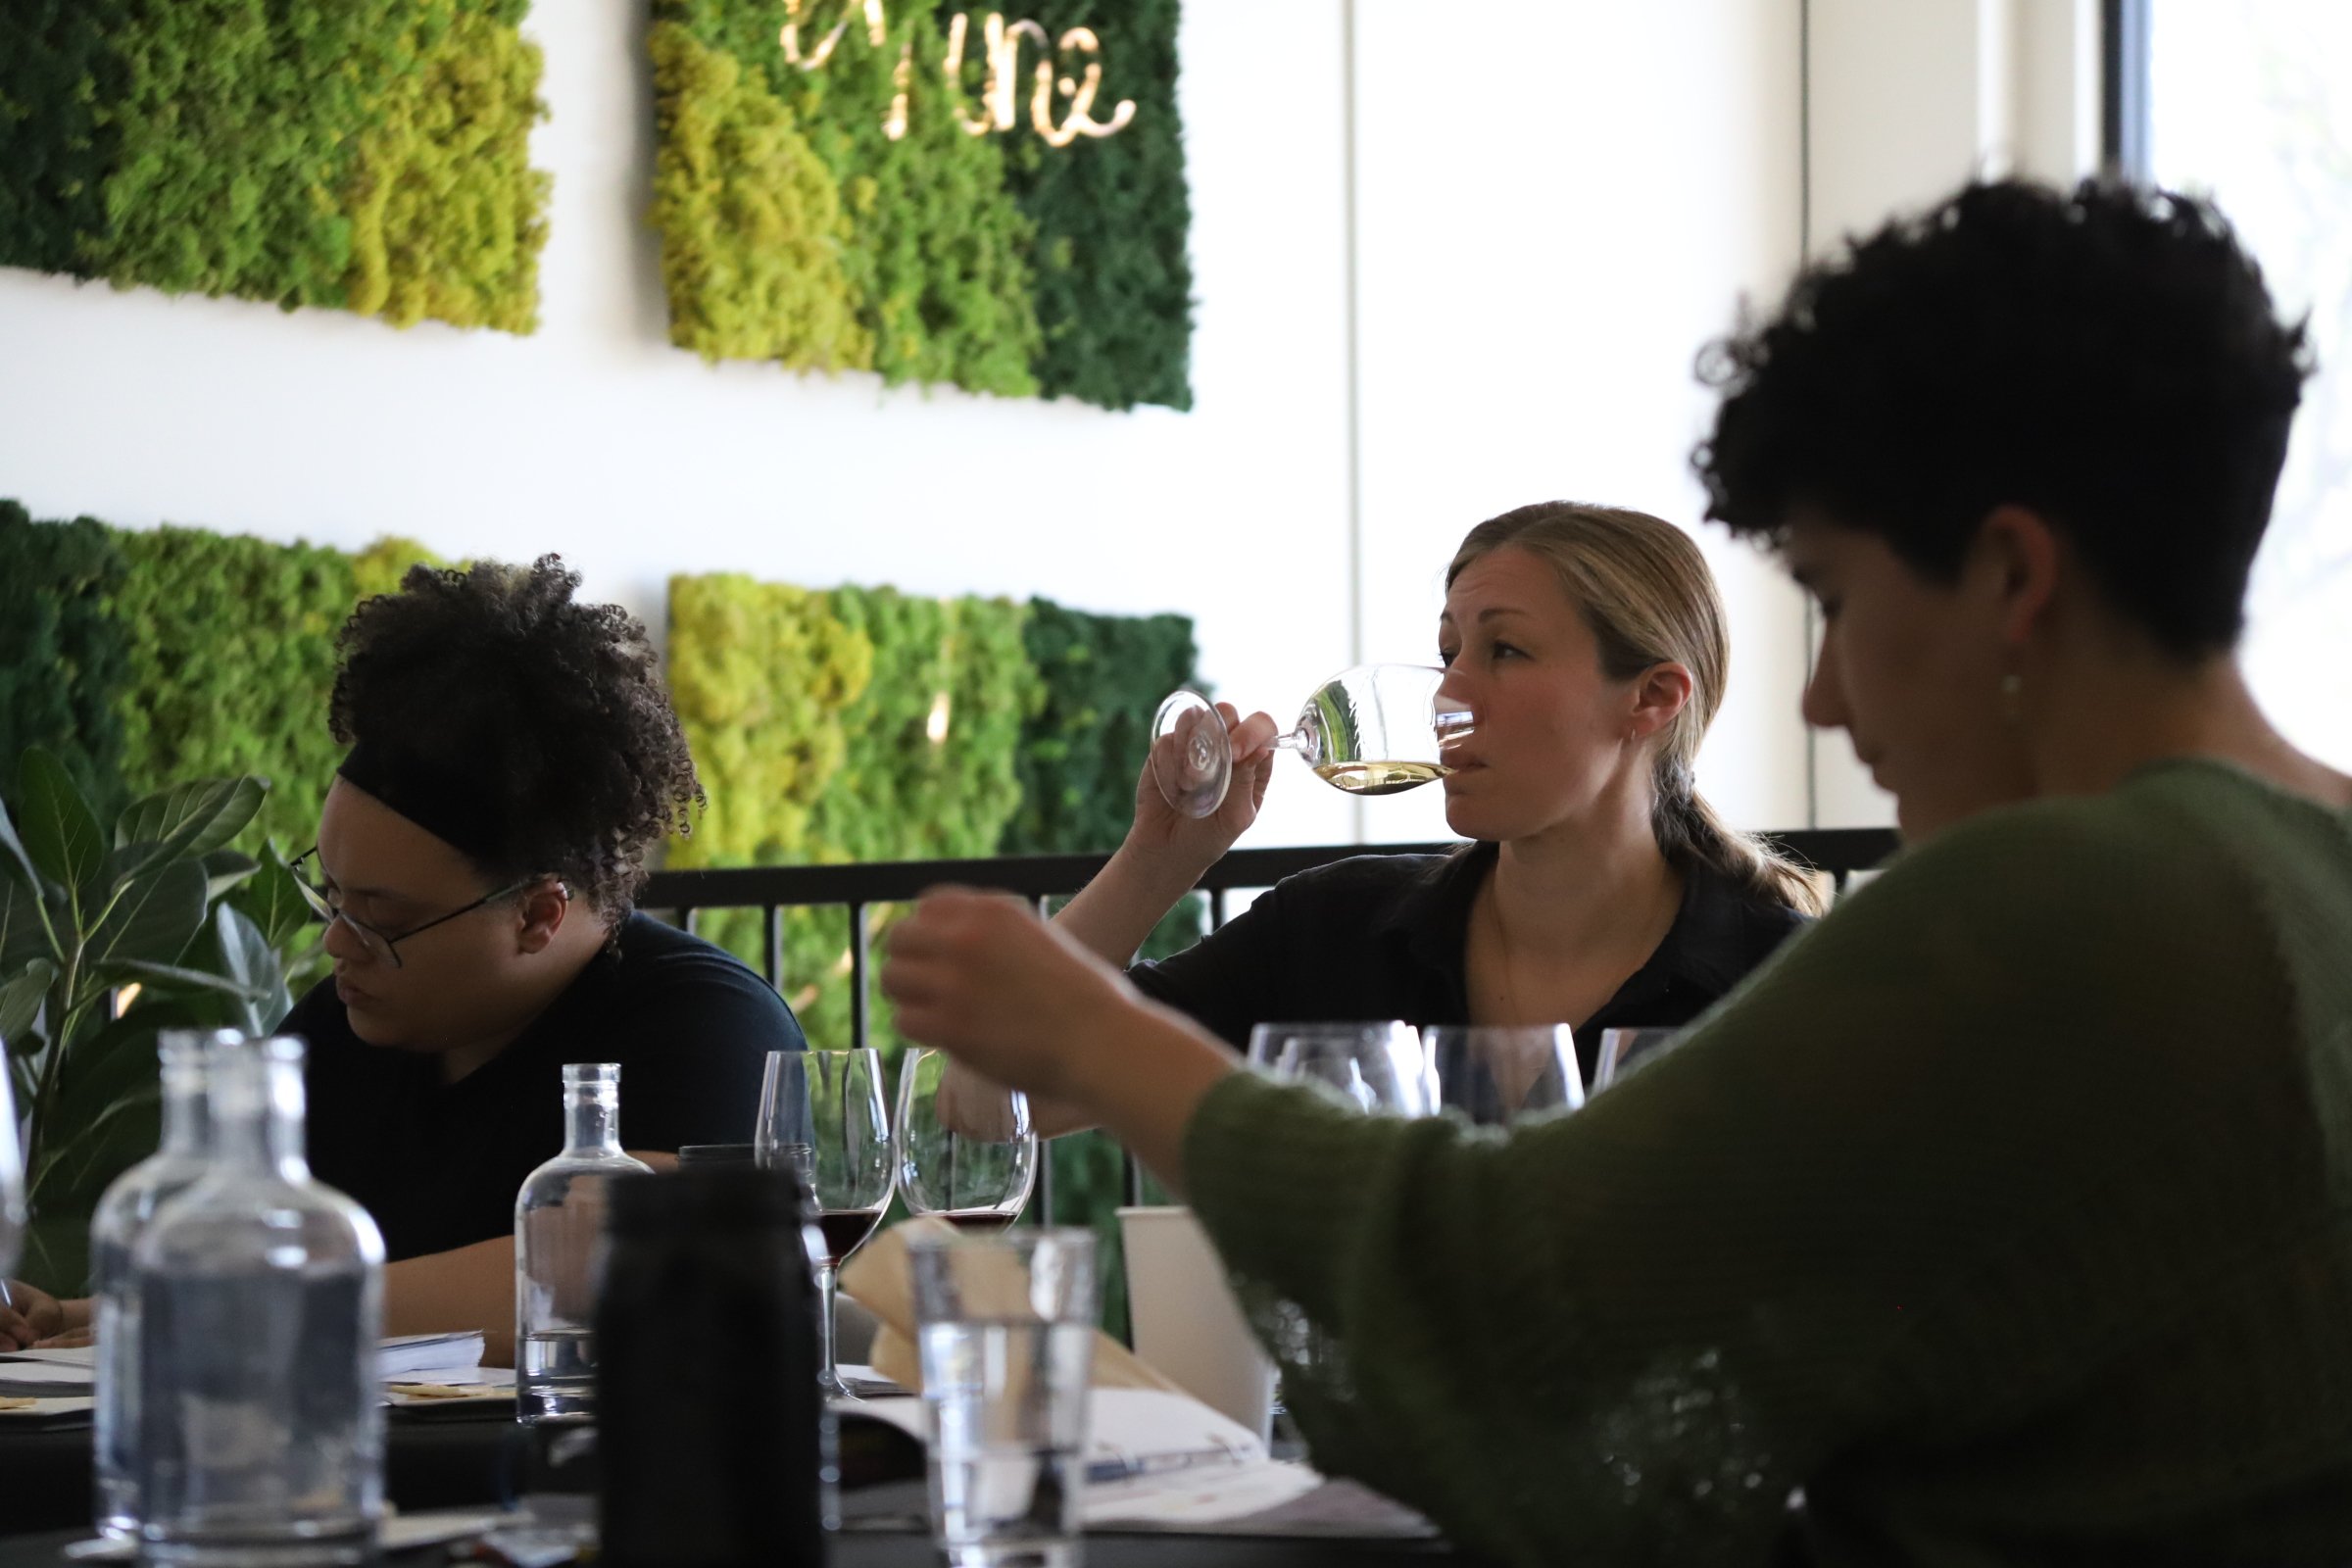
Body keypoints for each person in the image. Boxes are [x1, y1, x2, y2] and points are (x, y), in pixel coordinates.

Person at [882, 178, 2352, 1565]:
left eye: (1838, 604)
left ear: (2015, 578)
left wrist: (1098, 1035)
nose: (1824, 701)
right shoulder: (2305, 866)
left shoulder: (2051, 907)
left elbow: (1514, 1290)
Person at [0, 557, 802, 1360]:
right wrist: (68, 1317)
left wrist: (244, 1308)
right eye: (332, 896)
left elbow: (631, 1264)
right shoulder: (343, 1030)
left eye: (383, 917)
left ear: (536, 913)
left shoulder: (707, 1028)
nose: (336, 942)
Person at [1053, 502, 1822, 1092]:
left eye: (1506, 651)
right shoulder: (1335, 930)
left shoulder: (1784, 985)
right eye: (1448, 653)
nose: (1446, 698)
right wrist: (1156, 862)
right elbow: (990, 1106)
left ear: (1651, 699)